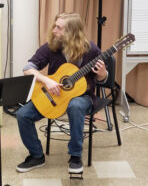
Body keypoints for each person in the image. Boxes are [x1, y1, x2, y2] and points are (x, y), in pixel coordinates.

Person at [15, 13, 108, 174]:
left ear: (72, 32)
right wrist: (47, 81)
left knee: (75, 106)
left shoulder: (91, 49)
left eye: (59, 27)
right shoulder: (52, 47)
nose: (54, 30)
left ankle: (75, 156)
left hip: (82, 96)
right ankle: (37, 156)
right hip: (55, 95)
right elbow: (27, 69)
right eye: (55, 25)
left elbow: (102, 79)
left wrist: (103, 72)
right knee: (22, 114)